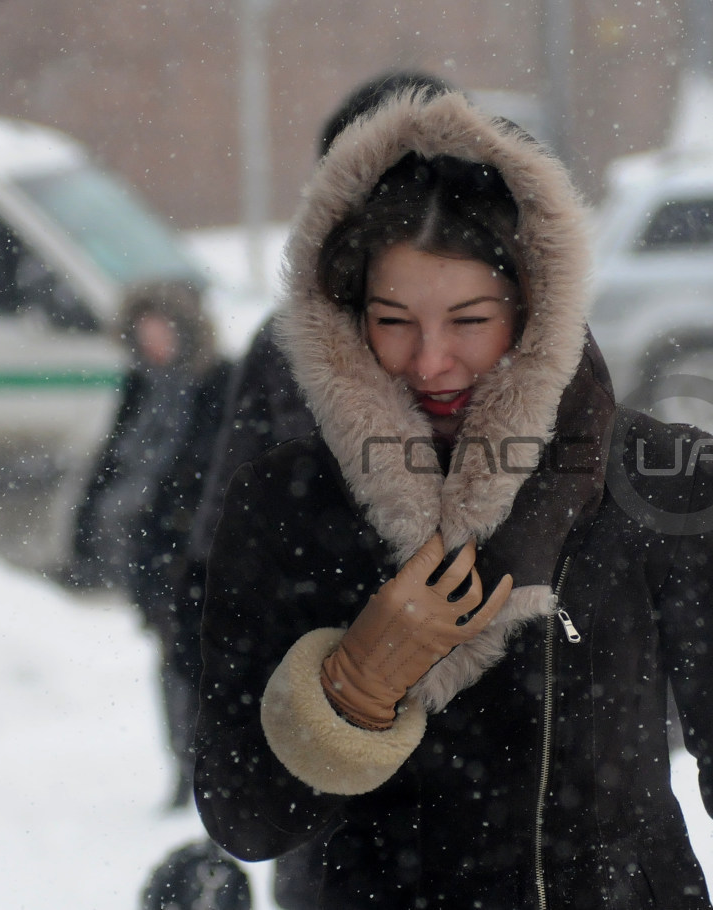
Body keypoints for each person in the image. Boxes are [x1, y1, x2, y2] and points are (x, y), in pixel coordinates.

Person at [193, 86, 713, 908]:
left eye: (468, 320)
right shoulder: (289, 505)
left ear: (534, 310)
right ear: (348, 321)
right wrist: (351, 689)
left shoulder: (658, 483)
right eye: (395, 321)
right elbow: (242, 816)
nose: (431, 362)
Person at [169, 69, 454, 910]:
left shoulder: (527, 338)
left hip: (503, 776)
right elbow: (225, 559)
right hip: (339, 752)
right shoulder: (293, 349)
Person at [65, 279, 232, 807]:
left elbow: (212, 464)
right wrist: (86, 528)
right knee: (173, 659)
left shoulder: (218, 383)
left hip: (194, 548)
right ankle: (184, 764)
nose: (155, 342)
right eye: (145, 332)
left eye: (164, 330)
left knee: (199, 659)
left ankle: (208, 765)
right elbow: (112, 459)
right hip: (148, 548)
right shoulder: (141, 386)